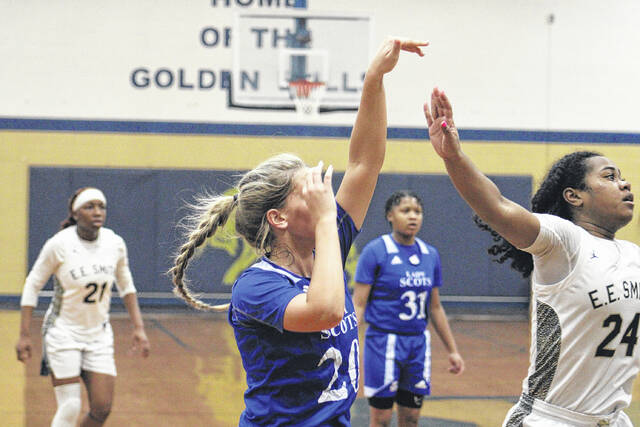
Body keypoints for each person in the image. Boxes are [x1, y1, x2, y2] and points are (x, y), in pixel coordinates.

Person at [170, 38, 428, 426]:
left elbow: (364, 163)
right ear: (279, 218)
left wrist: (373, 79)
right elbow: (325, 311)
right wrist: (327, 221)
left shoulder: (327, 245)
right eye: (308, 190)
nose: (322, 191)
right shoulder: (256, 286)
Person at [423, 87, 639, 426]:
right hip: (551, 419)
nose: (624, 185)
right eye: (610, 177)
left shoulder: (632, 255)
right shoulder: (565, 243)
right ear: (574, 196)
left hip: (612, 420)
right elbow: (497, 207)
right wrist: (454, 157)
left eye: (623, 178)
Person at [15, 187, 150, 427]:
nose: (97, 212)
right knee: (70, 406)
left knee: (102, 408)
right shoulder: (59, 245)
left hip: (98, 335)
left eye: (101, 206)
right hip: (62, 332)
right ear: (76, 214)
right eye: (90, 207)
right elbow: (32, 284)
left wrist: (138, 327)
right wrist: (24, 334)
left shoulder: (114, 243)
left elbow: (126, 284)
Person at [352, 190, 464, 427]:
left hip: (417, 346)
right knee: (381, 419)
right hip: (383, 344)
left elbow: (435, 307)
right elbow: (358, 304)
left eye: (418, 211)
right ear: (390, 215)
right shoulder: (375, 251)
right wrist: (346, 345)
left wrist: (452, 350)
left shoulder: (430, 254)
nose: (413, 216)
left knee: (411, 418)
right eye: (405, 211)